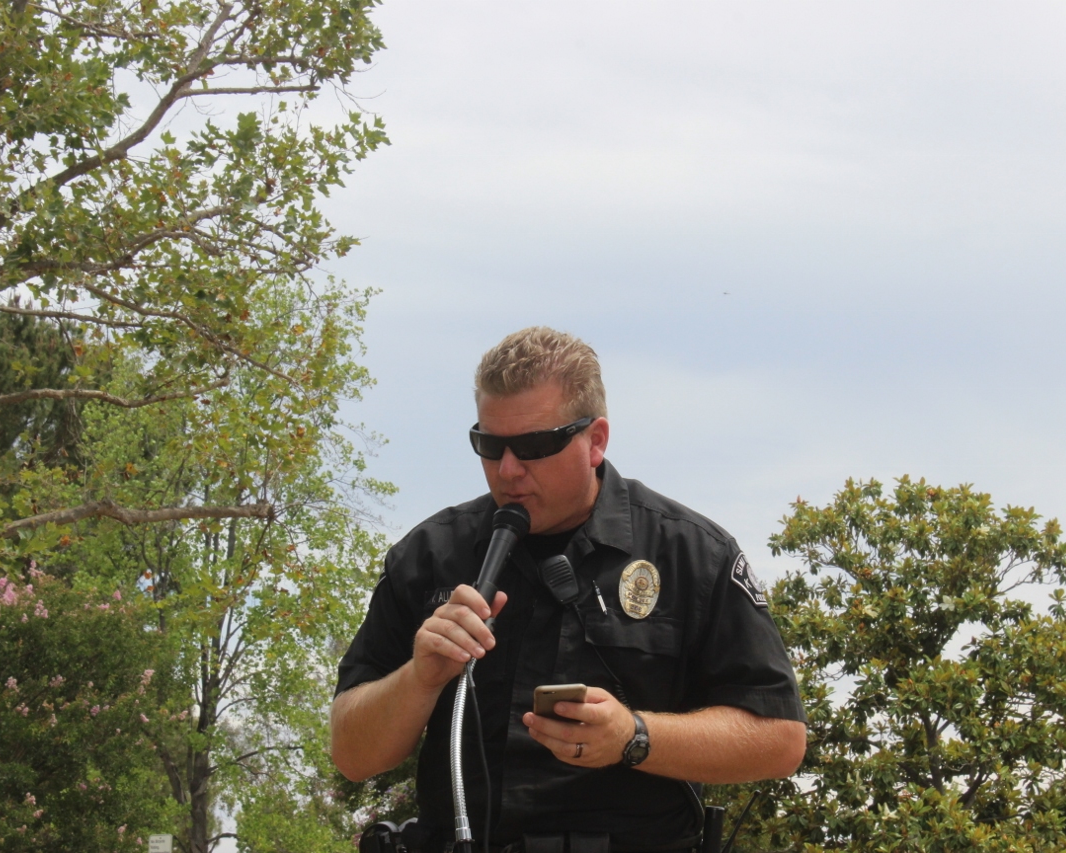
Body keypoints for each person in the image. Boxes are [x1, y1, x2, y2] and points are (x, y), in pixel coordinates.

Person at [332, 327, 806, 853]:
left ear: (595, 440)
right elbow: (352, 755)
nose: (508, 470)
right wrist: (420, 678)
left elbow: (780, 739)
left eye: (534, 446)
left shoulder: (692, 555)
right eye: (489, 445)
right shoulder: (429, 556)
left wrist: (634, 737)